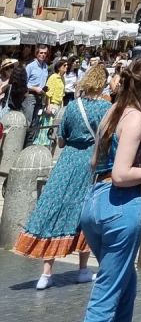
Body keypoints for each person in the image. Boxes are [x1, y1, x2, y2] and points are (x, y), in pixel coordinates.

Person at [79, 53, 141, 322]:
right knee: (106, 293)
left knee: (125, 284)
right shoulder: (136, 117)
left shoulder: (112, 111)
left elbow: (94, 161)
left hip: (94, 203)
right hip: (121, 207)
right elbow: (121, 174)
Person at [15, 61, 111, 288]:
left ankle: (46, 273)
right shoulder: (106, 109)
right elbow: (108, 139)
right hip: (90, 162)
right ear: (103, 83)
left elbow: (61, 138)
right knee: (84, 211)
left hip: (67, 160)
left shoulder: (73, 106)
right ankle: (83, 269)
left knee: (56, 207)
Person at [25, 43, 51, 127]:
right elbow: (24, 83)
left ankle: (30, 140)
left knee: (35, 122)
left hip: (41, 97)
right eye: (41, 53)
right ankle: (23, 140)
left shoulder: (46, 67)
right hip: (30, 96)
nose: (43, 55)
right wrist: (34, 88)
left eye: (45, 53)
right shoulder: (30, 66)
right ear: (37, 54)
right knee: (27, 121)